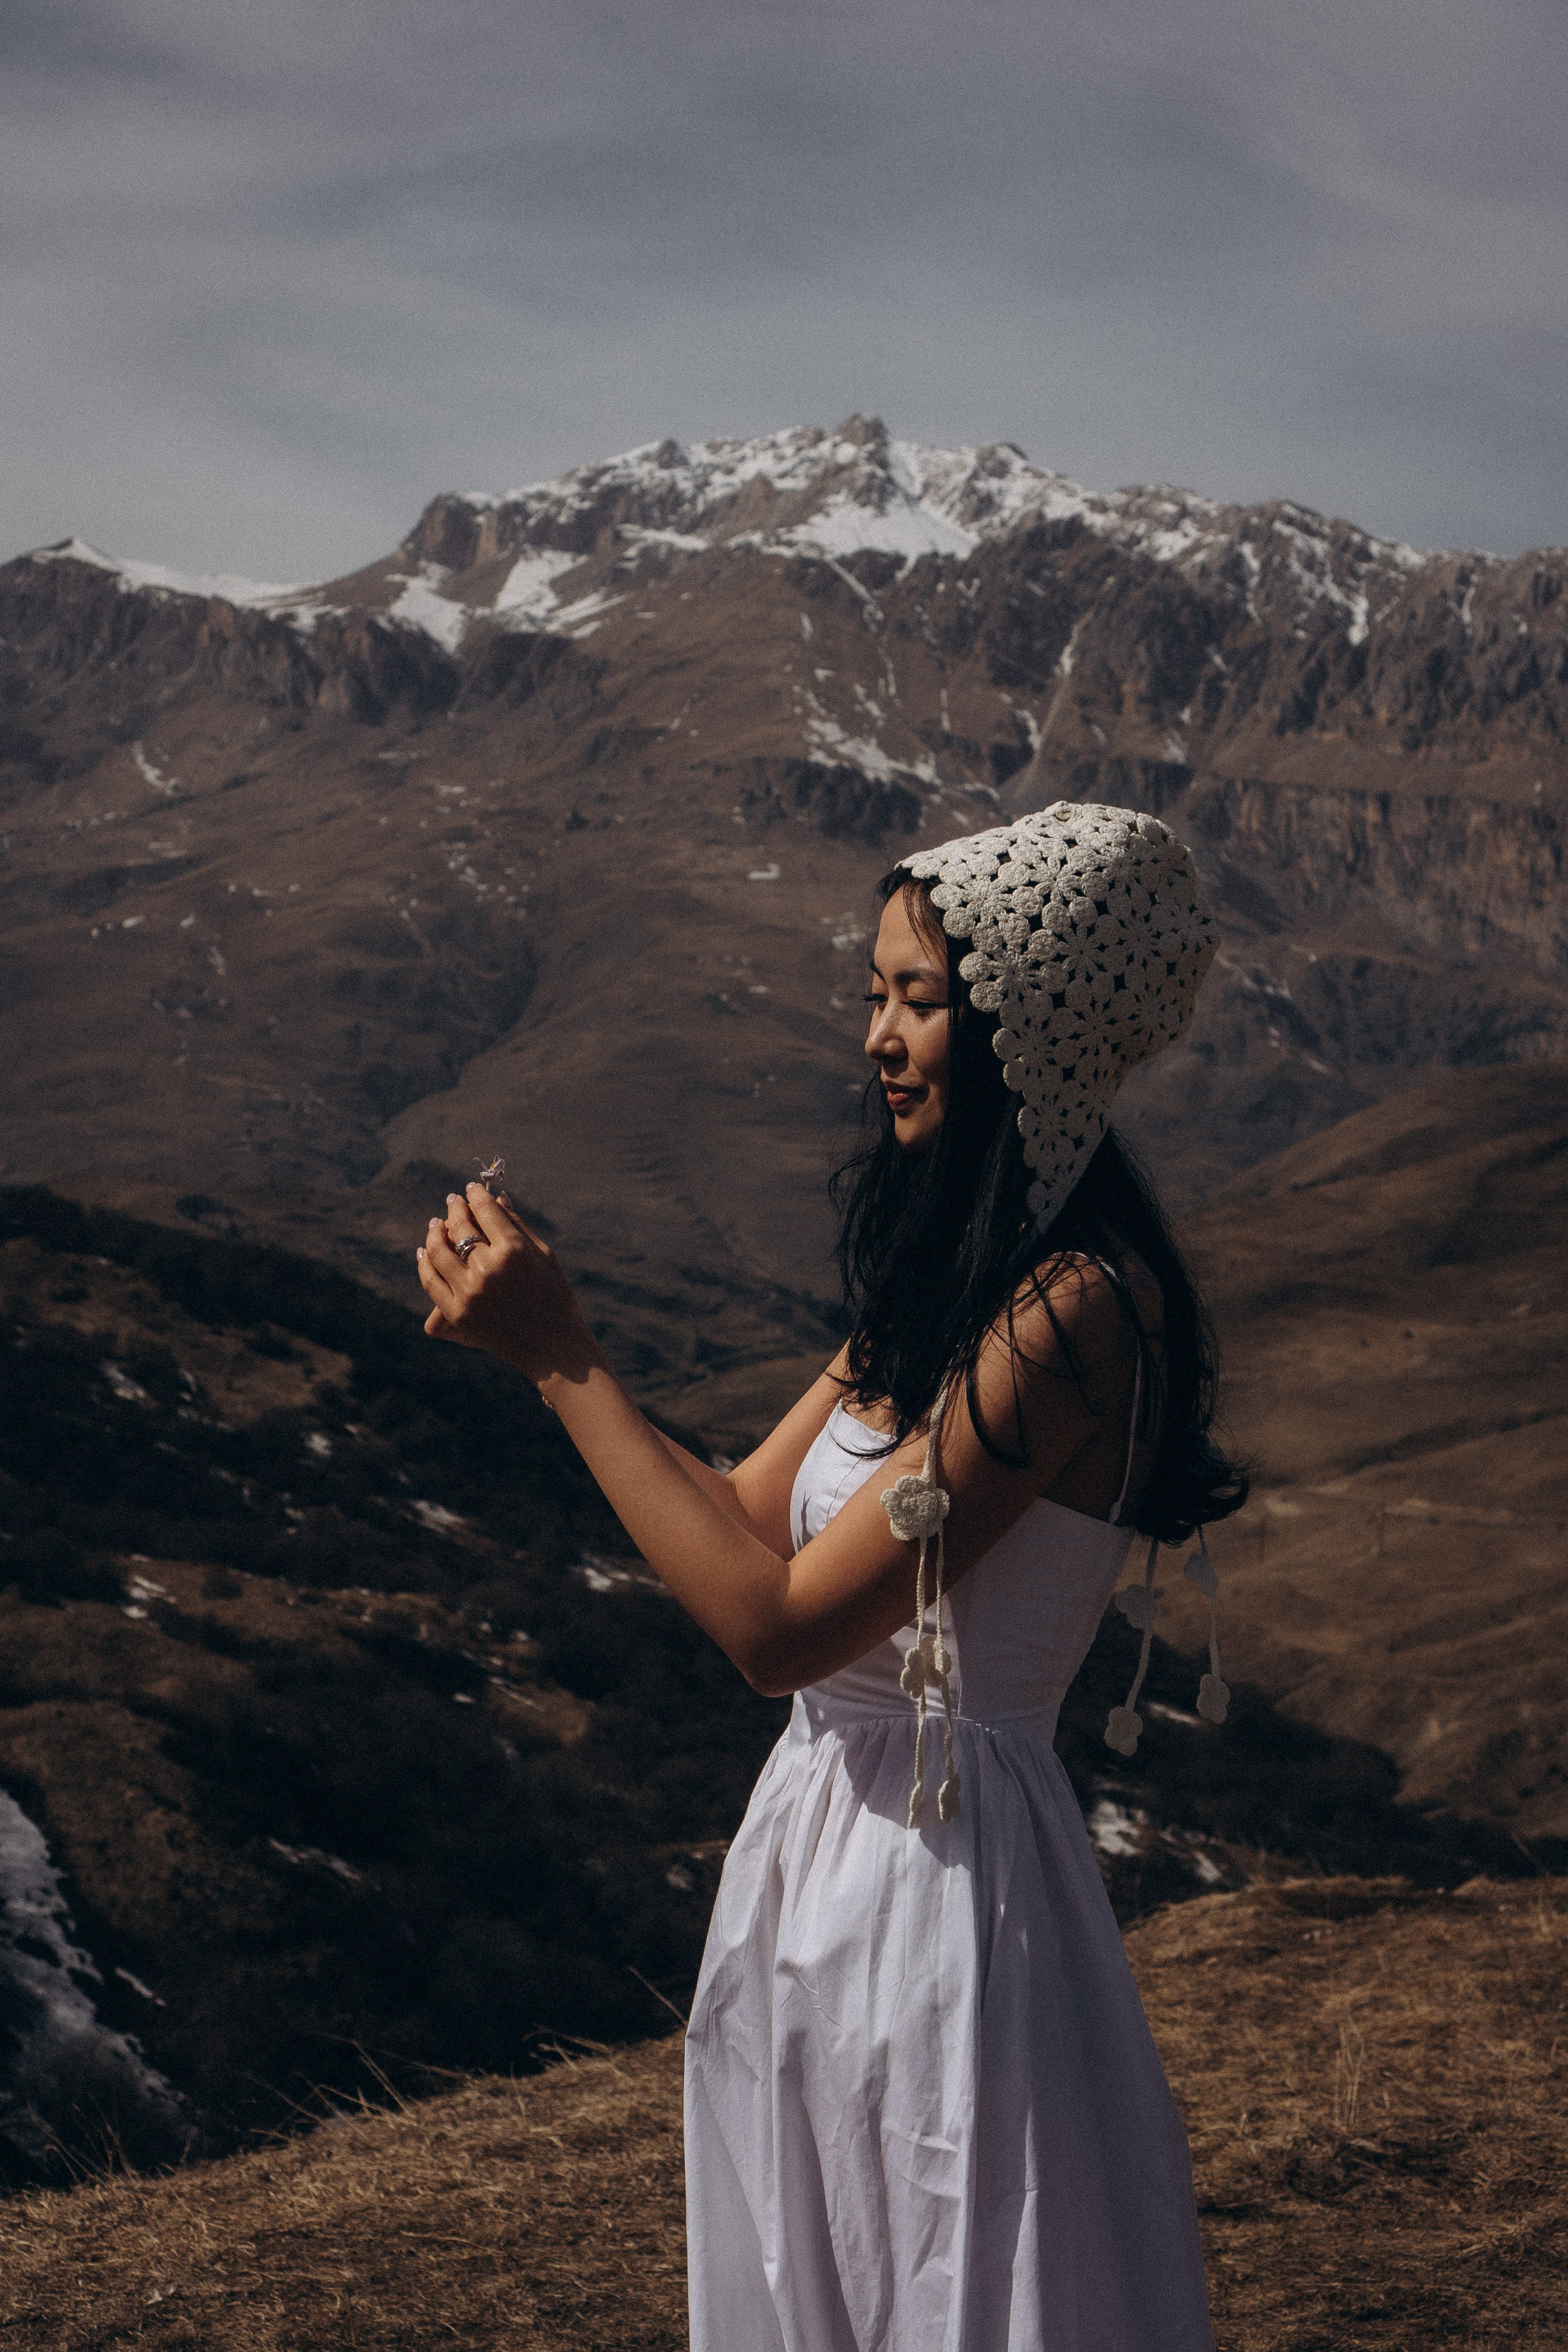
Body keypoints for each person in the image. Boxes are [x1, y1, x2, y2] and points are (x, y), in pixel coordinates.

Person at [415, 803, 1247, 2351]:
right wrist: (548, 1347)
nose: (878, 1037)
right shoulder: (941, 1302)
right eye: (872, 994)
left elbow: (776, 1626)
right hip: (822, 1862)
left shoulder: (1068, 1317)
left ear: (1027, 1028)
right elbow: (737, 1520)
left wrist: (564, 1357)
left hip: (948, 1903)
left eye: (919, 1001)